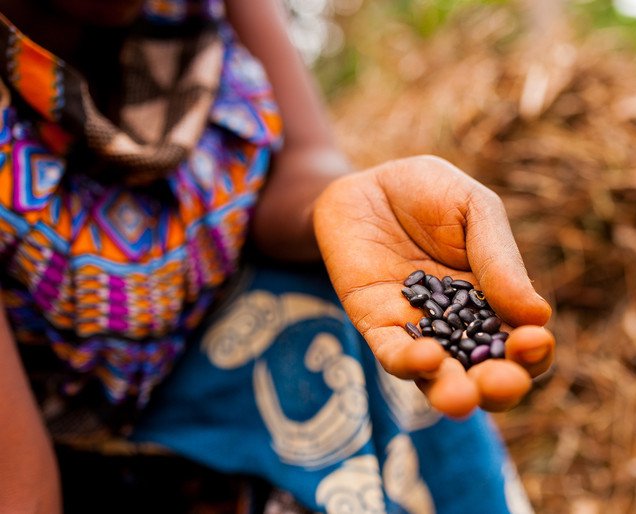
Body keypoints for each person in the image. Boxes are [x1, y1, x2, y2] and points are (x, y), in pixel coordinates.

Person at [0, 0, 556, 512]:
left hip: (217, 348)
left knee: (356, 315)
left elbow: (301, 160)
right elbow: (20, 487)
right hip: (71, 437)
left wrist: (342, 205)